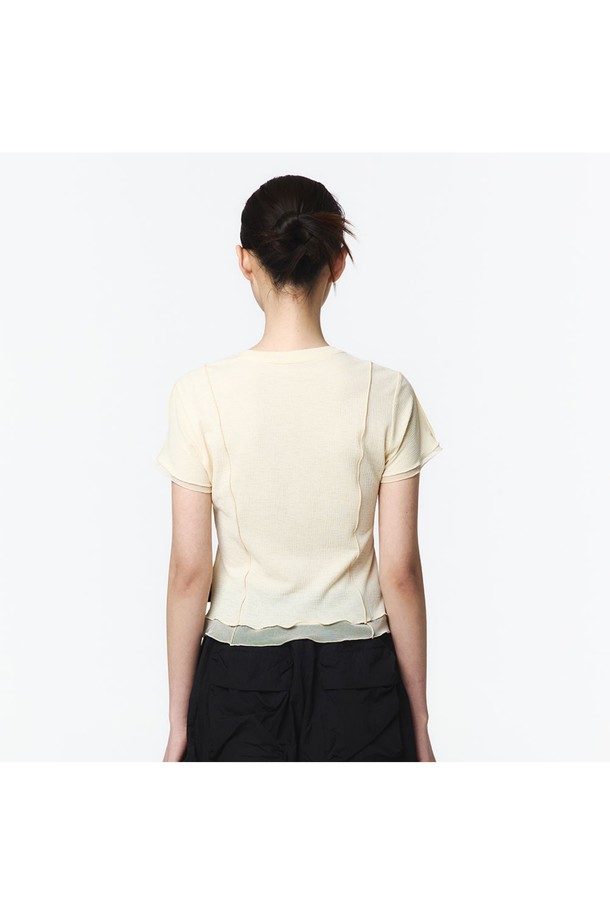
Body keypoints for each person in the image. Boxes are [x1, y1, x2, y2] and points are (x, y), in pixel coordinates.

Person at [155, 174, 443, 762]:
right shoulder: (386, 393)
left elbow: (189, 571)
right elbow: (401, 572)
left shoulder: (199, 394)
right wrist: (418, 721)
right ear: (337, 263)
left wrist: (179, 723)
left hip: (237, 677)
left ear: (245, 261)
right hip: (358, 678)